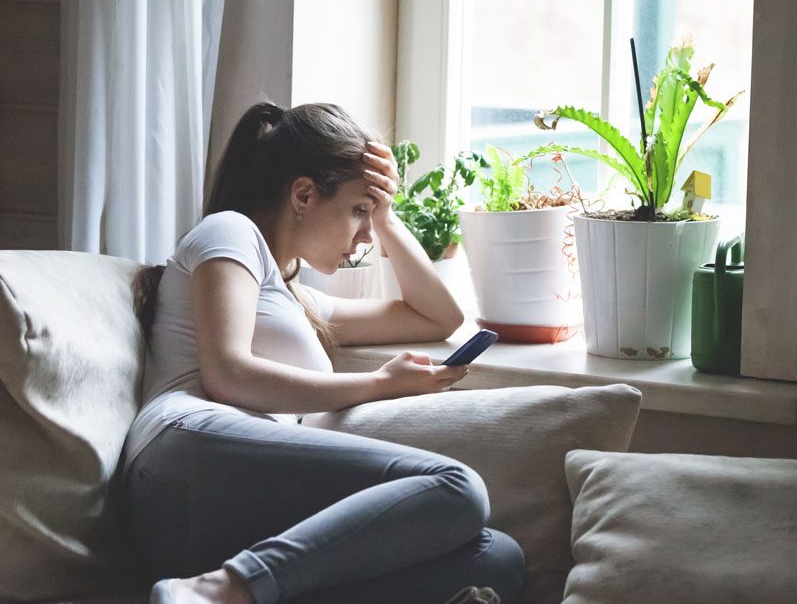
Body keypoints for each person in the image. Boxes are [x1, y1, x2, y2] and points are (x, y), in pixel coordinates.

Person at [122, 102, 525, 604]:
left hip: (238, 502)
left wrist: (387, 218)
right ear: (304, 194)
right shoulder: (229, 232)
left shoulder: (299, 300)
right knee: (456, 485)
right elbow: (227, 375)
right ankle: (213, 591)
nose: (362, 238)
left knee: (497, 558)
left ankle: (242, 588)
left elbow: (440, 317)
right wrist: (381, 383)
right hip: (183, 454)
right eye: (358, 211)